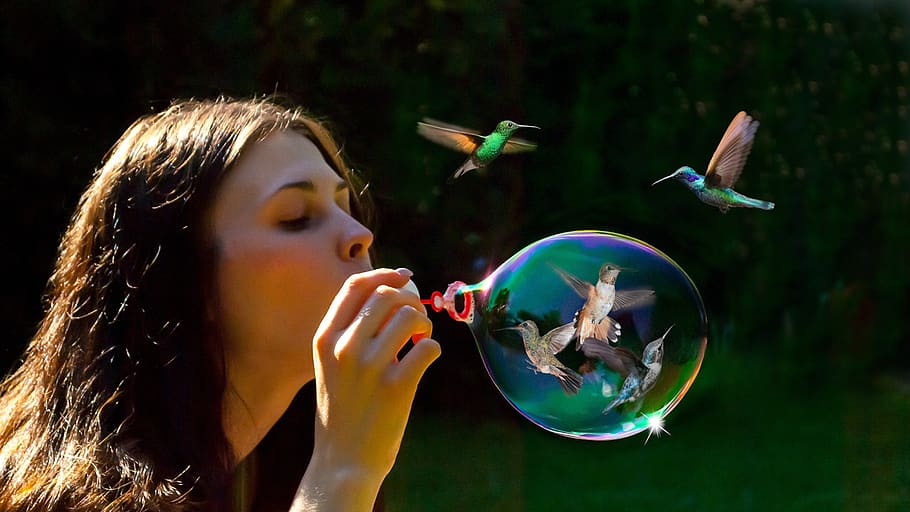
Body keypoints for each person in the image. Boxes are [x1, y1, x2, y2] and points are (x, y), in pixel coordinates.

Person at [0, 96, 442, 511]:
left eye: (347, 207)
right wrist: (344, 472)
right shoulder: (73, 499)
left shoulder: (264, 480)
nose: (358, 235)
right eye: (296, 218)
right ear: (185, 279)